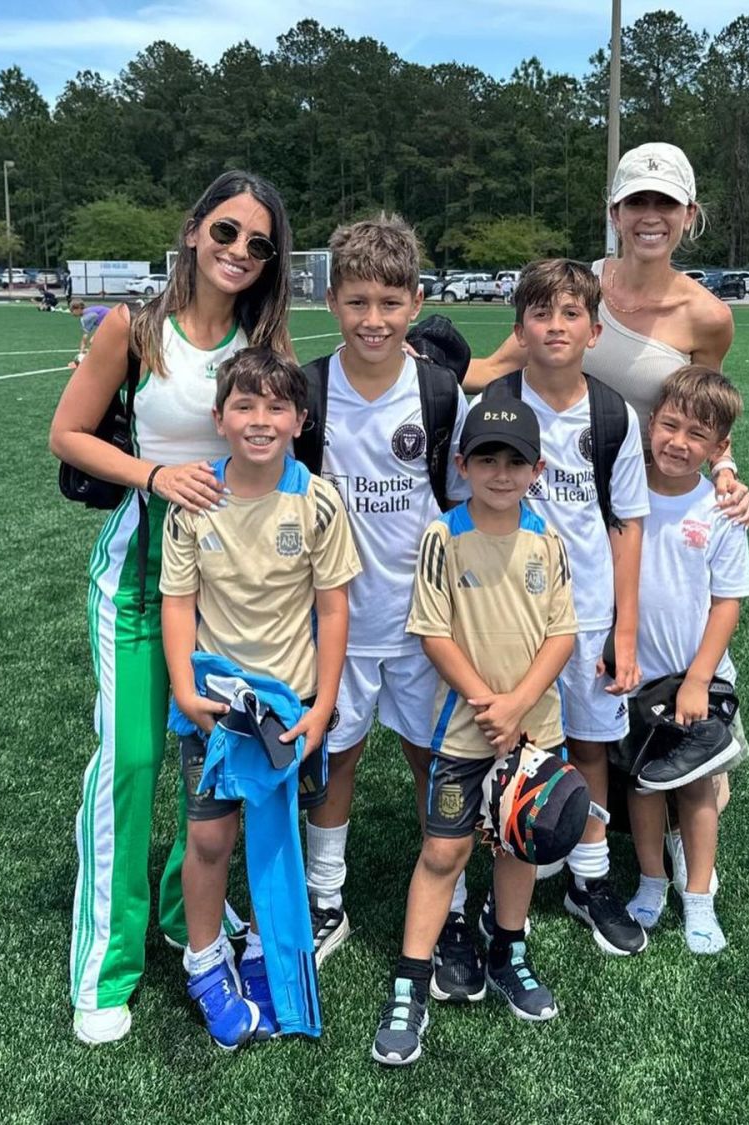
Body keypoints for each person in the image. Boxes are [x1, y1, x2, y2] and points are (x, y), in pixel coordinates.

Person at [49, 169, 294, 1045]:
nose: (238, 252)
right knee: (132, 761)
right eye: (225, 232)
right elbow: (68, 431)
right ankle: (104, 969)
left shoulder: (265, 335)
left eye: (258, 244)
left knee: (212, 773)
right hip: (139, 579)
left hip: (230, 593)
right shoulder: (134, 327)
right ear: (193, 231)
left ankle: (174, 915)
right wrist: (156, 476)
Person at [160, 348, 360, 1048]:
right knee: (211, 834)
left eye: (276, 406)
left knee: (280, 835)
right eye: (244, 405)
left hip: (291, 706)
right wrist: (185, 686)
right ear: (220, 418)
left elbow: (332, 609)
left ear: (300, 420)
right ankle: (205, 962)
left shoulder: (317, 499)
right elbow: (178, 601)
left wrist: (323, 701)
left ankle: (268, 951)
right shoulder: (195, 500)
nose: (259, 419)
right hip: (215, 707)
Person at [371, 397, 578, 1065]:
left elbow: (563, 635)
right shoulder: (444, 534)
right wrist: (488, 703)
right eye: (486, 458)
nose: (500, 471)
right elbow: (432, 632)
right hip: (464, 732)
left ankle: (508, 951)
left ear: (537, 469)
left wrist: (517, 704)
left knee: (520, 843)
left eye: (514, 461)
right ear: (462, 465)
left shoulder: (548, 540)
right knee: (443, 853)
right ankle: (410, 980)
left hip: (534, 730)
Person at [297, 215, 474, 978]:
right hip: (331, 625)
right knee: (335, 761)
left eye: (391, 303)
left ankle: (455, 899)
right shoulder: (306, 391)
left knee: (432, 761)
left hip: (424, 629)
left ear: (416, 301)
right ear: (332, 299)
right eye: (358, 301)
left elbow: (467, 503)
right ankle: (323, 897)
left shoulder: (439, 394)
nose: (374, 320)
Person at [484, 258, 650, 955]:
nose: (555, 326)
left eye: (570, 314)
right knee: (505, 744)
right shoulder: (492, 404)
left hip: (585, 618)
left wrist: (627, 630)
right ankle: (491, 879)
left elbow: (627, 524)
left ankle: (588, 875)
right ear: (518, 328)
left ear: (594, 329)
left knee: (587, 745)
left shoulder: (613, 414)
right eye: (541, 314)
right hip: (506, 615)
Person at [463, 142, 749, 526]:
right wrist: (408, 360)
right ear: (615, 214)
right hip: (556, 493)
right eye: (636, 202)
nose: (650, 217)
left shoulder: (708, 317)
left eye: (665, 203)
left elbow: (705, 412)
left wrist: (725, 471)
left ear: (688, 214)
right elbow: (493, 370)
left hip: (641, 501)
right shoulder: (575, 292)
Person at [620, 366, 749, 953]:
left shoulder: (721, 510)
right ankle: (650, 883)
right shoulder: (622, 491)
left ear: (719, 448)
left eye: (696, 435)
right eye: (669, 425)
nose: (678, 442)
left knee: (698, 791)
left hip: (696, 681)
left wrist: (698, 679)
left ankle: (698, 897)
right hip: (635, 678)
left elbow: (727, 604)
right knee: (644, 785)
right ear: (651, 423)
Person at [68, 300, 111, 366]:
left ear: (78, 309)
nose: (71, 313)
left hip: (111, 321)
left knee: (93, 341)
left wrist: (80, 353)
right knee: (95, 340)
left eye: (72, 311)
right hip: (111, 319)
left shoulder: (86, 318)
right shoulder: (88, 311)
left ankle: (96, 360)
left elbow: (85, 337)